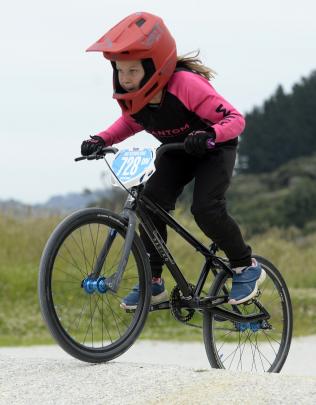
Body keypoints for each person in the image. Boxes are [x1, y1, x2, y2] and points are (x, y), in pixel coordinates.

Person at [81, 11, 266, 309]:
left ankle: (246, 266)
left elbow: (235, 119)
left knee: (205, 208)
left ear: (155, 66)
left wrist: (210, 134)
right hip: (178, 152)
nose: (125, 79)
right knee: (148, 204)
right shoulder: (135, 97)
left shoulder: (186, 85)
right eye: (120, 71)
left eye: (132, 71)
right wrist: (100, 139)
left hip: (215, 148)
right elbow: (129, 123)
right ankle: (153, 282)